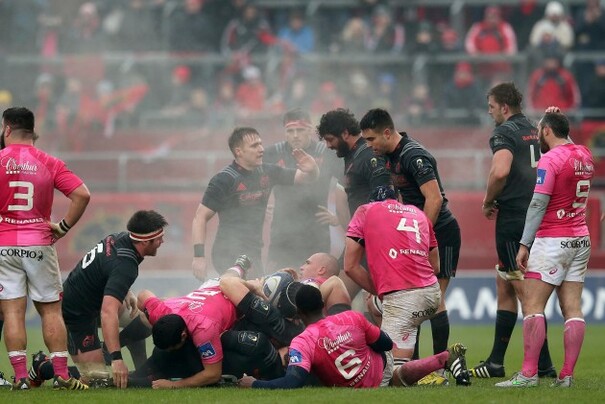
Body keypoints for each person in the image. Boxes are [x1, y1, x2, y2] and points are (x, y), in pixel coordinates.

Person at [359, 108, 461, 384]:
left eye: (371, 139)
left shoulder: (413, 155)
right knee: (413, 299)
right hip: (416, 234)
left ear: (387, 133)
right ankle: (415, 367)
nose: (369, 145)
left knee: (435, 299)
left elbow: (434, 199)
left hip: (440, 232)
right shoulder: (390, 156)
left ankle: (440, 369)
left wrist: (419, 236)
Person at [496, 110, 594, 388]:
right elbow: (568, 144)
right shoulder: (584, 155)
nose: (537, 134)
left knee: (532, 304)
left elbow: (538, 204)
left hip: (553, 239)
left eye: (540, 129)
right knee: (572, 308)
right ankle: (567, 376)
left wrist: (524, 243)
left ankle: (528, 374)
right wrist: (557, 120)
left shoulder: (550, 159)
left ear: (547, 131)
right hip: (580, 239)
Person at [0, 107, 91, 390]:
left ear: (6, 129)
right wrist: (62, 227)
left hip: (4, 245)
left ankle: (20, 378)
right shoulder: (48, 162)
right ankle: (61, 375)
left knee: (12, 312)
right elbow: (82, 194)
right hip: (39, 243)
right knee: (50, 311)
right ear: (33, 131)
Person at [342, 186, 470, 385]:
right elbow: (435, 266)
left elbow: (350, 266)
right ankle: (401, 350)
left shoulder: (366, 210)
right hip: (432, 294)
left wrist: (380, 289)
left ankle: (445, 359)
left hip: (403, 300)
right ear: (398, 200)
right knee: (373, 304)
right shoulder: (418, 214)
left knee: (389, 379)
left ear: (372, 201)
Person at [473, 82, 555, 378]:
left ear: (504, 107)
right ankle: (495, 362)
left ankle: (544, 365)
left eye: (492, 107)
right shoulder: (535, 129)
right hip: (536, 215)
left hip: (513, 218)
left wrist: (487, 201)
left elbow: (500, 171)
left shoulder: (504, 132)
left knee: (525, 293)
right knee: (505, 283)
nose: (490, 112)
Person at [238, 284, 469, 388]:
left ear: (299, 313)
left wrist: (254, 383)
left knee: (396, 378)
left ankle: (443, 359)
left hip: (356, 386)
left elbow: (292, 381)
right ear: (323, 303)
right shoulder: (351, 317)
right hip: (381, 370)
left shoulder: (302, 341)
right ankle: (444, 358)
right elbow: (385, 343)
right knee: (395, 375)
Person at [58, 210, 168, 389]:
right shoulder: (126, 265)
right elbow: (108, 312)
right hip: (77, 313)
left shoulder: (122, 238)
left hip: (94, 301)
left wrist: (126, 291)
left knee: (142, 318)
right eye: (159, 238)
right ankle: (44, 366)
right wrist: (117, 359)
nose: (162, 242)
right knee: (97, 380)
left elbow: (108, 269)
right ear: (145, 241)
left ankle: (141, 370)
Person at [192, 127, 319, 280]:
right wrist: (198, 257)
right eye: (254, 146)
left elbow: (306, 178)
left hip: (254, 252)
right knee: (244, 291)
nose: (261, 149)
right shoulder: (224, 179)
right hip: (227, 252)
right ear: (239, 151)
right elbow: (200, 217)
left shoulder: (268, 172)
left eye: (260, 144)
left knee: (254, 291)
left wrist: (313, 169)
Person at [316, 108, 391, 297]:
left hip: (373, 240)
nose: (328, 145)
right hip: (361, 238)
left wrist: (375, 237)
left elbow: (386, 199)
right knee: (339, 296)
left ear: (345, 133)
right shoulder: (352, 156)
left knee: (336, 295)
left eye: (330, 139)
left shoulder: (368, 155)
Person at [263, 109, 345, 270]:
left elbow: (346, 186)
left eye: (300, 130)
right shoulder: (273, 153)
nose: (295, 135)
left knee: (315, 280)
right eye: (290, 131)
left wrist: (339, 218)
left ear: (310, 130)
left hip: (316, 231)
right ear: (285, 132)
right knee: (279, 280)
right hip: (282, 231)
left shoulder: (326, 153)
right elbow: (256, 180)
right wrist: (262, 203)